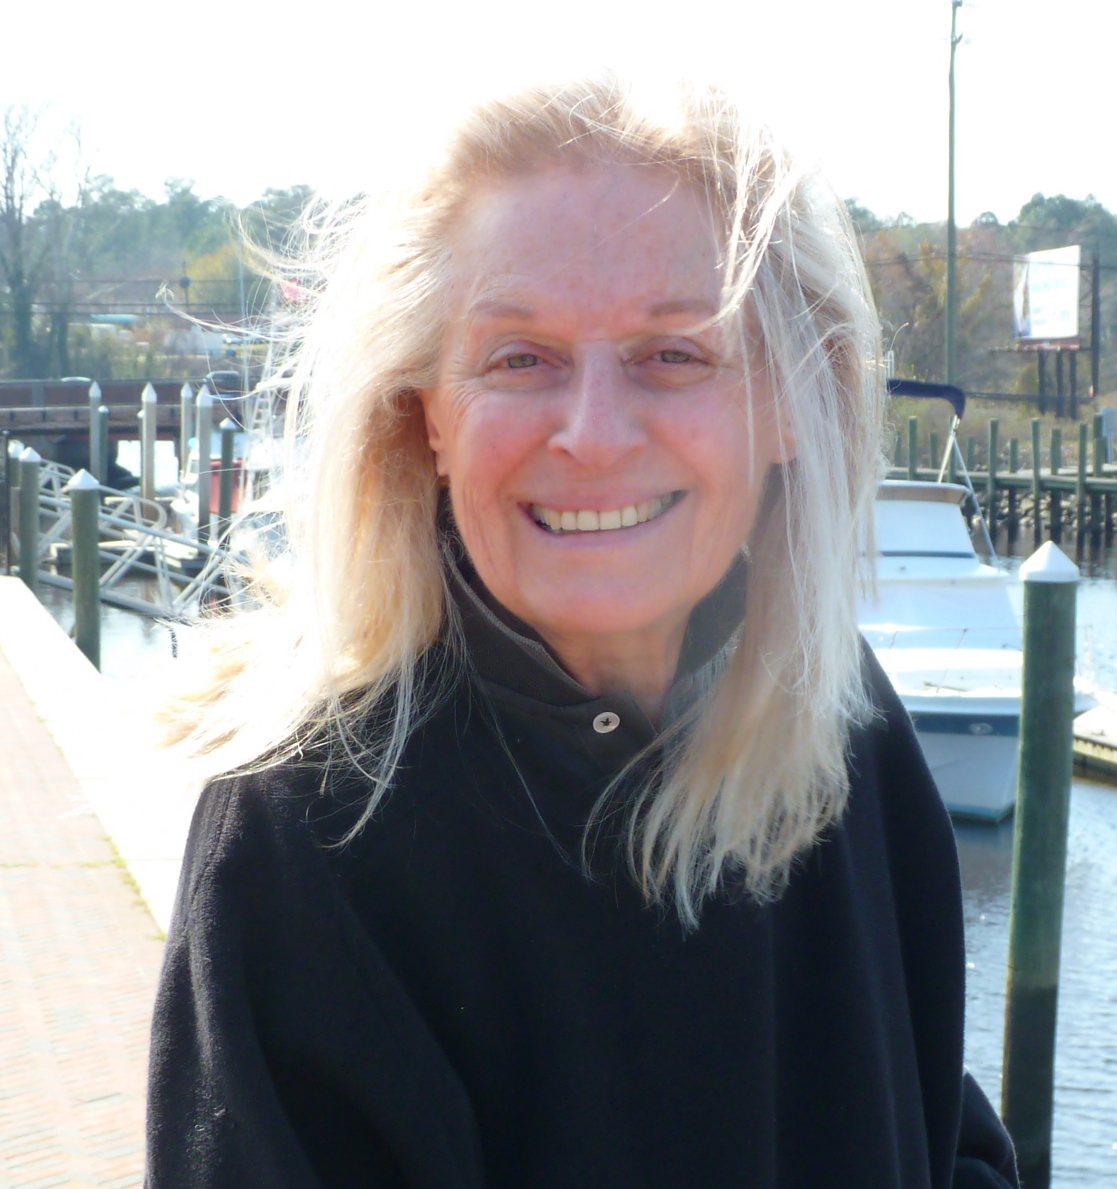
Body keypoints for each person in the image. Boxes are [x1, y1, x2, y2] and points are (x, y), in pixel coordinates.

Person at [146, 79, 1019, 1188]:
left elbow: (939, 1136)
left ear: (795, 402)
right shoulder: (311, 827)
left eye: (674, 353)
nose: (593, 434)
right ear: (427, 417)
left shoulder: (833, 717)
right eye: (520, 358)